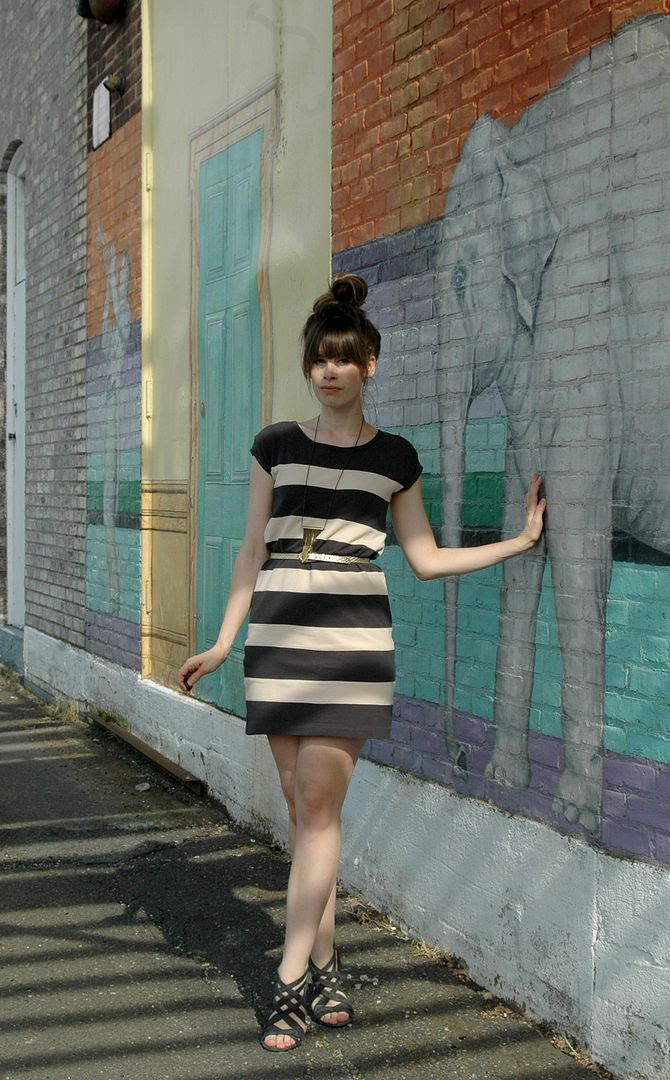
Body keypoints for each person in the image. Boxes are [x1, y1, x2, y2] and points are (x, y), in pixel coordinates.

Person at [177, 274, 546, 1052]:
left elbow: (426, 558)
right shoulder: (275, 446)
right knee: (303, 810)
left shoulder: (396, 457)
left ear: (369, 364)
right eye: (321, 359)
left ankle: (287, 977)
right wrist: (223, 642)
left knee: (317, 811)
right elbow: (250, 553)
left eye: (345, 359)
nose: (331, 371)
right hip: (278, 638)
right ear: (310, 365)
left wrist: (517, 542)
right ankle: (327, 963)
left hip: (351, 645)